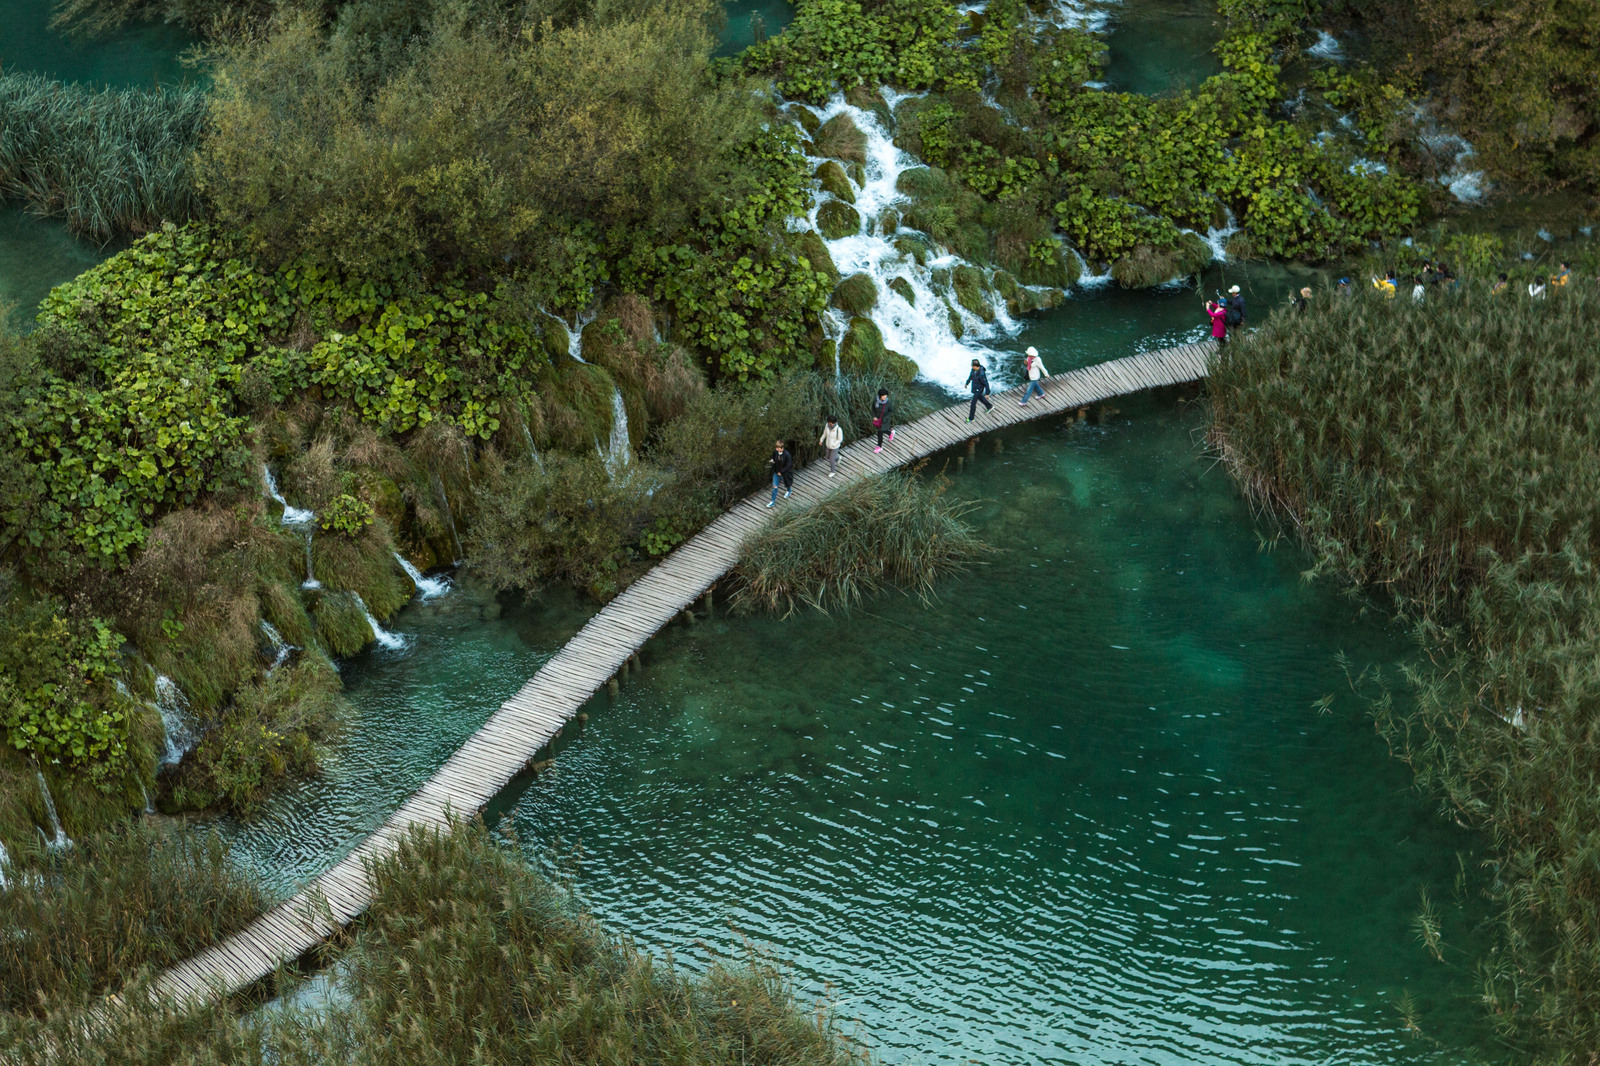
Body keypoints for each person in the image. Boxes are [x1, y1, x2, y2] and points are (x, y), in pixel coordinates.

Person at [766, 440, 793, 507]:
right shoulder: (775, 452)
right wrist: (772, 460)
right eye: (776, 448)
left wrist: (781, 472)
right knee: (775, 486)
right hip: (776, 472)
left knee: (786, 482)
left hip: (784, 473)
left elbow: (789, 465)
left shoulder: (787, 455)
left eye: (778, 448)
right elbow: (772, 456)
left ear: (782, 448)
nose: (776, 449)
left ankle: (789, 490)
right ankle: (772, 502)